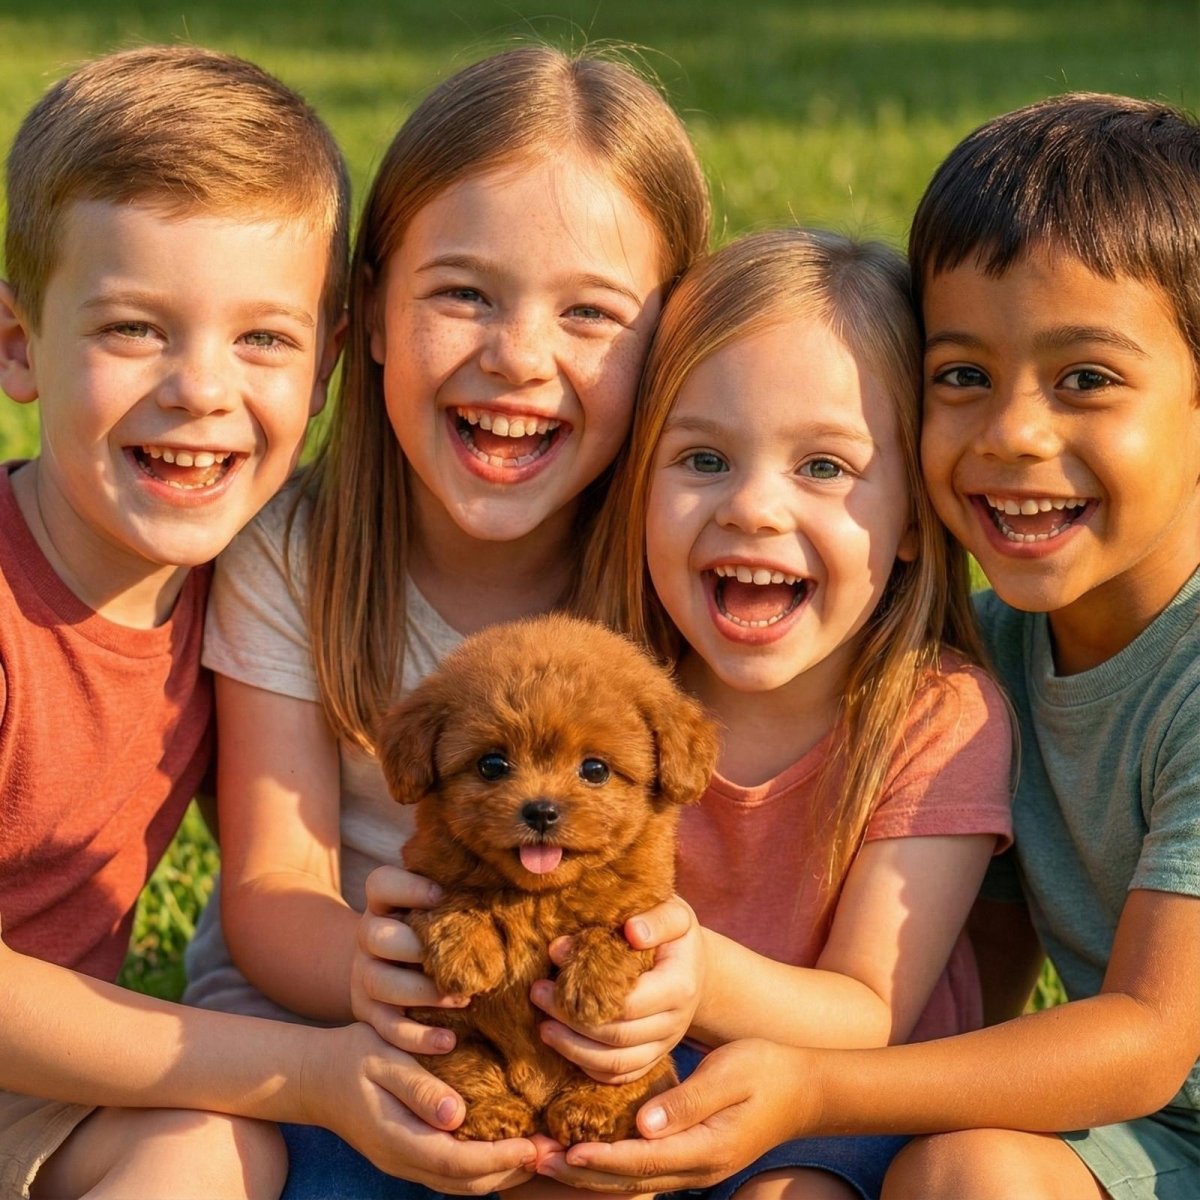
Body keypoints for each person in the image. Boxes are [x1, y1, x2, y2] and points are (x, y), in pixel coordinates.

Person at [534, 93, 1200, 1200]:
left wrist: (815, 1094)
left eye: (1085, 379)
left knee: (966, 1176)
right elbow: (976, 959)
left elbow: (1146, 1039)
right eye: (962, 376)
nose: (1014, 433)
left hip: (1142, 1102)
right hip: (1127, 1141)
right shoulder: (996, 653)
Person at [180, 43, 711, 1197]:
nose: (518, 356)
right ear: (369, 314)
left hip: (577, 1016)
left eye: (591, 314)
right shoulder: (294, 554)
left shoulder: (673, 566)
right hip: (328, 1026)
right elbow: (273, 889)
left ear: (669, 350)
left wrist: (663, 982)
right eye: (464, 292)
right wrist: (387, 985)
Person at [0, 43, 452, 1200]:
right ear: (17, 346)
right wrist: (303, 1071)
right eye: (134, 329)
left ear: (327, 365)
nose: (202, 387)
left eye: (262, 339)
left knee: (210, 1152)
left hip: (41, 1088)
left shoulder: (245, 578)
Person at [531, 227, 1009, 1200]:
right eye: (704, 458)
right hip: (627, 1078)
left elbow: (868, 1010)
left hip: (844, 1112)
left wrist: (690, 971)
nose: (753, 508)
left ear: (917, 515)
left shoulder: (938, 716)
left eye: (825, 468)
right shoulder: (605, 693)